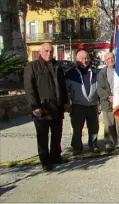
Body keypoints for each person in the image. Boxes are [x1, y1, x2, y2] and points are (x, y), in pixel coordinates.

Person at [23, 43, 69, 171]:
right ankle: (46, 161)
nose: (49, 53)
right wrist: (34, 106)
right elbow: (29, 89)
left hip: (57, 106)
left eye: (51, 51)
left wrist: (65, 103)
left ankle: (56, 156)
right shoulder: (32, 66)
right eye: (46, 51)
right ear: (40, 52)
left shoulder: (57, 66)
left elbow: (62, 86)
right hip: (42, 107)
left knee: (57, 134)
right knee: (43, 135)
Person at [65, 50, 100, 155]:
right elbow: (67, 90)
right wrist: (68, 104)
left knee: (94, 127)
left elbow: (100, 89)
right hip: (77, 105)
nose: (85, 61)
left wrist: (100, 103)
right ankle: (77, 147)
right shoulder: (70, 73)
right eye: (82, 58)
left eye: (86, 58)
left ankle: (93, 145)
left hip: (92, 105)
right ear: (77, 60)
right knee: (77, 128)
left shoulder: (95, 72)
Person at [97, 52, 119, 153]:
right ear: (105, 61)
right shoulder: (102, 73)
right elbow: (100, 89)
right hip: (108, 103)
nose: (111, 60)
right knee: (109, 124)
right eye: (108, 59)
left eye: (112, 58)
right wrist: (109, 96)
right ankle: (110, 144)